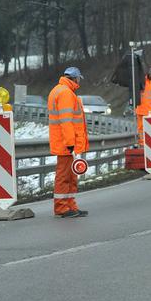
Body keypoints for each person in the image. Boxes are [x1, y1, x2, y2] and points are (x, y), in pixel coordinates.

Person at [48, 67, 90, 218]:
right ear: (75, 78)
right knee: (64, 176)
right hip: (66, 143)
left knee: (71, 176)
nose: (80, 81)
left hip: (66, 142)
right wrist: (71, 143)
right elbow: (66, 121)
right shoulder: (65, 93)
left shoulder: (61, 90)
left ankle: (70, 205)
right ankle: (61, 207)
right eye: (79, 78)